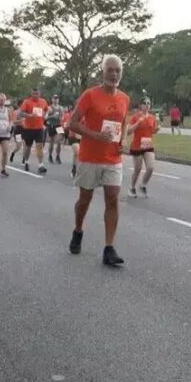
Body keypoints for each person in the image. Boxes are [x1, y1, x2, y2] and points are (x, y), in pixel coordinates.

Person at [67, 55, 130, 266]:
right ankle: (78, 230)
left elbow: (123, 123)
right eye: (110, 70)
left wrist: (123, 141)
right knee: (85, 199)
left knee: (112, 198)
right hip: (90, 157)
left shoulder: (124, 98)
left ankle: (109, 248)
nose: (114, 74)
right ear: (102, 72)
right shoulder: (90, 95)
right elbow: (72, 123)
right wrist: (94, 135)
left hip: (113, 158)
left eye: (117, 70)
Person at [126, 98, 159, 197]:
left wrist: (156, 130)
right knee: (138, 169)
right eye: (144, 103)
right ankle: (132, 188)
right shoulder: (135, 117)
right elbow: (128, 132)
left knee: (150, 167)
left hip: (147, 144)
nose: (147, 105)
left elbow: (151, 131)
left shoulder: (152, 118)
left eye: (149, 103)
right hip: (136, 145)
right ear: (140, 105)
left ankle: (143, 185)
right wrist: (137, 123)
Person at [17, 88, 49, 174]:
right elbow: (20, 113)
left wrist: (45, 115)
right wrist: (29, 115)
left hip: (39, 128)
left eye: (37, 94)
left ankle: (41, 165)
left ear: (40, 94)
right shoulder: (27, 102)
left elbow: (46, 109)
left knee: (39, 146)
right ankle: (26, 161)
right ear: (31, 94)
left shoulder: (43, 101)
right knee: (28, 147)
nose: (36, 95)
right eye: (34, 94)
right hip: (28, 128)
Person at [45, 94, 66, 164]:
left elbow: (63, 117)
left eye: (57, 98)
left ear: (58, 100)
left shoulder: (61, 108)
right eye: (54, 98)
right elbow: (45, 117)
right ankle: (50, 155)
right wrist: (52, 116)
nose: (56, 100)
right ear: (52, 99)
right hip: (51, 125)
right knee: (51, 142)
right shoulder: (49, 108)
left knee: (59, 141)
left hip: (58, 125)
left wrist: (61, 118)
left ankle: (58, 156)